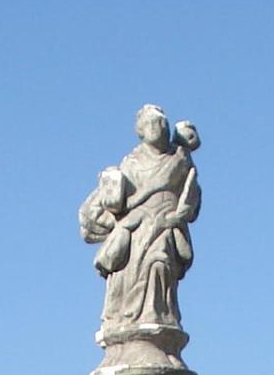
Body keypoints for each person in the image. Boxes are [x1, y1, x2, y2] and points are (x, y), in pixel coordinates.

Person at [78, 103, 202, 333]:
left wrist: (179, 213)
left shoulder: (179, 158)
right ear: (141, 131)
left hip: (165, 226)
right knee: (127, 275)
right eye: (152, 123)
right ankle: (126, 319)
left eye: (162, 122)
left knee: (160, 263)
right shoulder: (131, 163)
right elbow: (113, 201)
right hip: (135, 229)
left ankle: (158, 316)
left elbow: (192, 196)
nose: (159, 127)